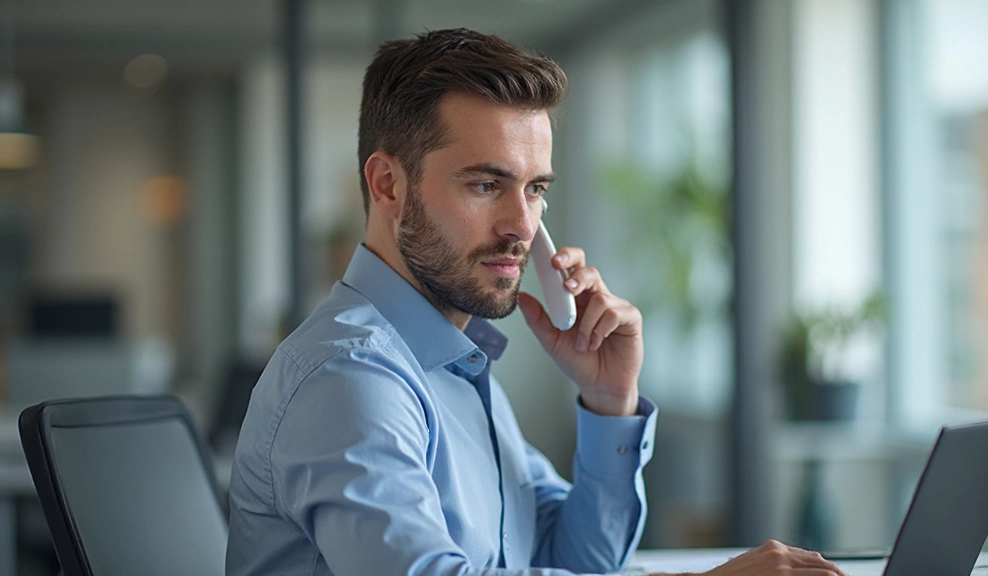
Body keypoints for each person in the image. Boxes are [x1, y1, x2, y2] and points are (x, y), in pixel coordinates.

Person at [225, 28, 847, 576]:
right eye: (486, 184)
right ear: (388, 185)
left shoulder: (457, 368)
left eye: (535, 189)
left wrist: (609, 402)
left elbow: (578, 559)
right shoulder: (349, 374)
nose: (522, 226)